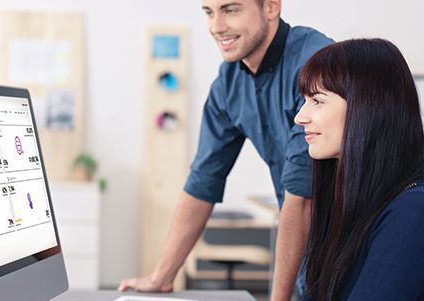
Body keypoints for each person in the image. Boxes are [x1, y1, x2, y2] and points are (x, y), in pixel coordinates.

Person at [118, 0, 332, 299]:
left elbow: (302, 198)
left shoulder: (316, 63)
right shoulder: (229, 83)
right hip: (303, 255)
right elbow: (203, 180)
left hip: (351, 251)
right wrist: (161, 277)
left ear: (271, 7)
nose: (216, 27)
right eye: (209, 12)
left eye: (231, 9)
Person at [294, 38, 424, 300]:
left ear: (366, 108)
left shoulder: (416, 212)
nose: (300, 117)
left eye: (317, 101)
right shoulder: (346, 202)